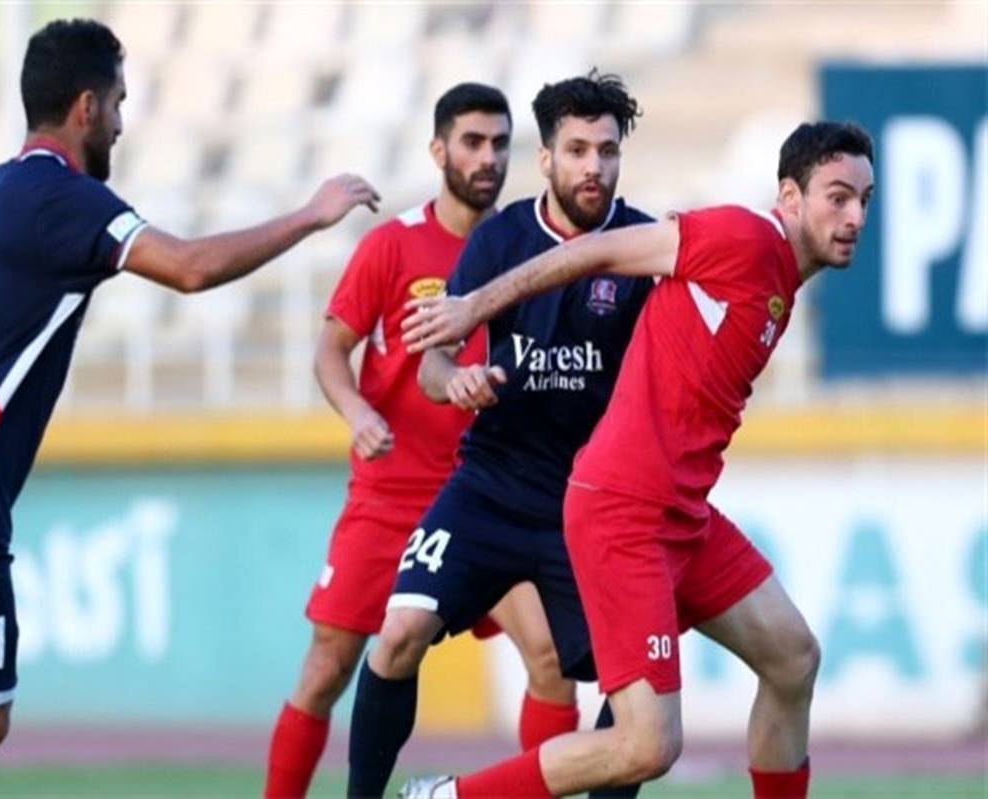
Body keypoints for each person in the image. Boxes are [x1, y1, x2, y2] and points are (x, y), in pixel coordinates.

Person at [0, 19, 379, 797]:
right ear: (86, 107)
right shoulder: (61, 199)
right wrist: (309, 214)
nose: (122, 123)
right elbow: (190, 268)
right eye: (119, 103)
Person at [397, 121, 875, 798]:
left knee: (793, 658)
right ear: (791, 197)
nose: (855, 217)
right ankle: (445, 797)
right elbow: (595, 251)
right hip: (625, 513)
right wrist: (475, 305)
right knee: (648, 744)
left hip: (683, 517)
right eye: (838, 197)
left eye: (864, 200)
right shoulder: (744, 238)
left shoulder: (780, 283)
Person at [266, 83, 582, 799]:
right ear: (438, 150)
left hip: (488, 497)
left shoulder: (526, 249)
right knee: (328, 668)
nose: (487, 157)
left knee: (550, 659)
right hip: (389, 497)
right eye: (472, 142)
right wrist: (357, 413)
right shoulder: (392, 246)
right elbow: (330, 351)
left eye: (499, 143)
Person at [346, 72, 653, 799]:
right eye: (577, 150)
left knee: (638, 693)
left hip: (590, 502)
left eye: (607, 151)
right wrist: (454, 379)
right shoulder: (500, 239)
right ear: (544, 158)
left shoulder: (644, 246)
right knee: (399, 633)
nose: (594, 167)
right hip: (490, 483)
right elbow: (433, 364)